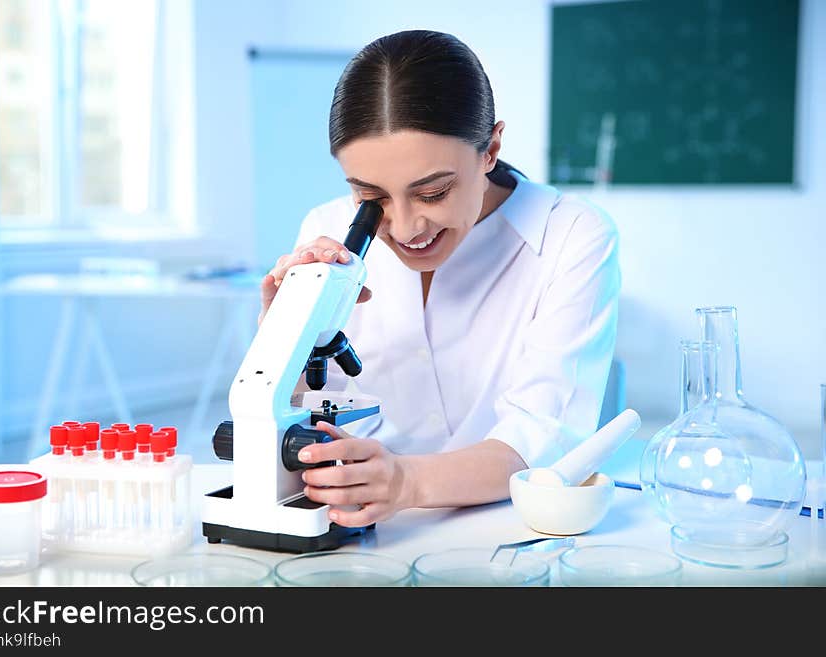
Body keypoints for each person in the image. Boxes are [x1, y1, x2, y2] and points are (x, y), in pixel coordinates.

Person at [259, 30, 621, 528]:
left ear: (490, 149)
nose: (406, 228)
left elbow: (544, 436)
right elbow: (303, 415)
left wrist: (408, 482)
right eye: (371, 197)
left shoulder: (571, 235)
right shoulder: (325, 232)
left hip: (509, 530)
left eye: (433, 193)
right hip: (360, 529)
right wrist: (282, 337)